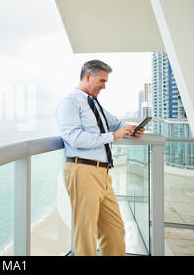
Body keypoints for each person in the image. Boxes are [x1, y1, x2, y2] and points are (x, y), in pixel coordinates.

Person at [55, 60, 145, 256]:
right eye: (102, 80)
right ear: (88, 76)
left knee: (115, 229)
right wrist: (113, 136)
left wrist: (130, 129)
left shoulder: (95, 104)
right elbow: (74, 138)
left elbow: (116, 123)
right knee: (86, 233)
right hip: (83, 172)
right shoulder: (69, 103)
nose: (104, 86)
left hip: (103, 174)